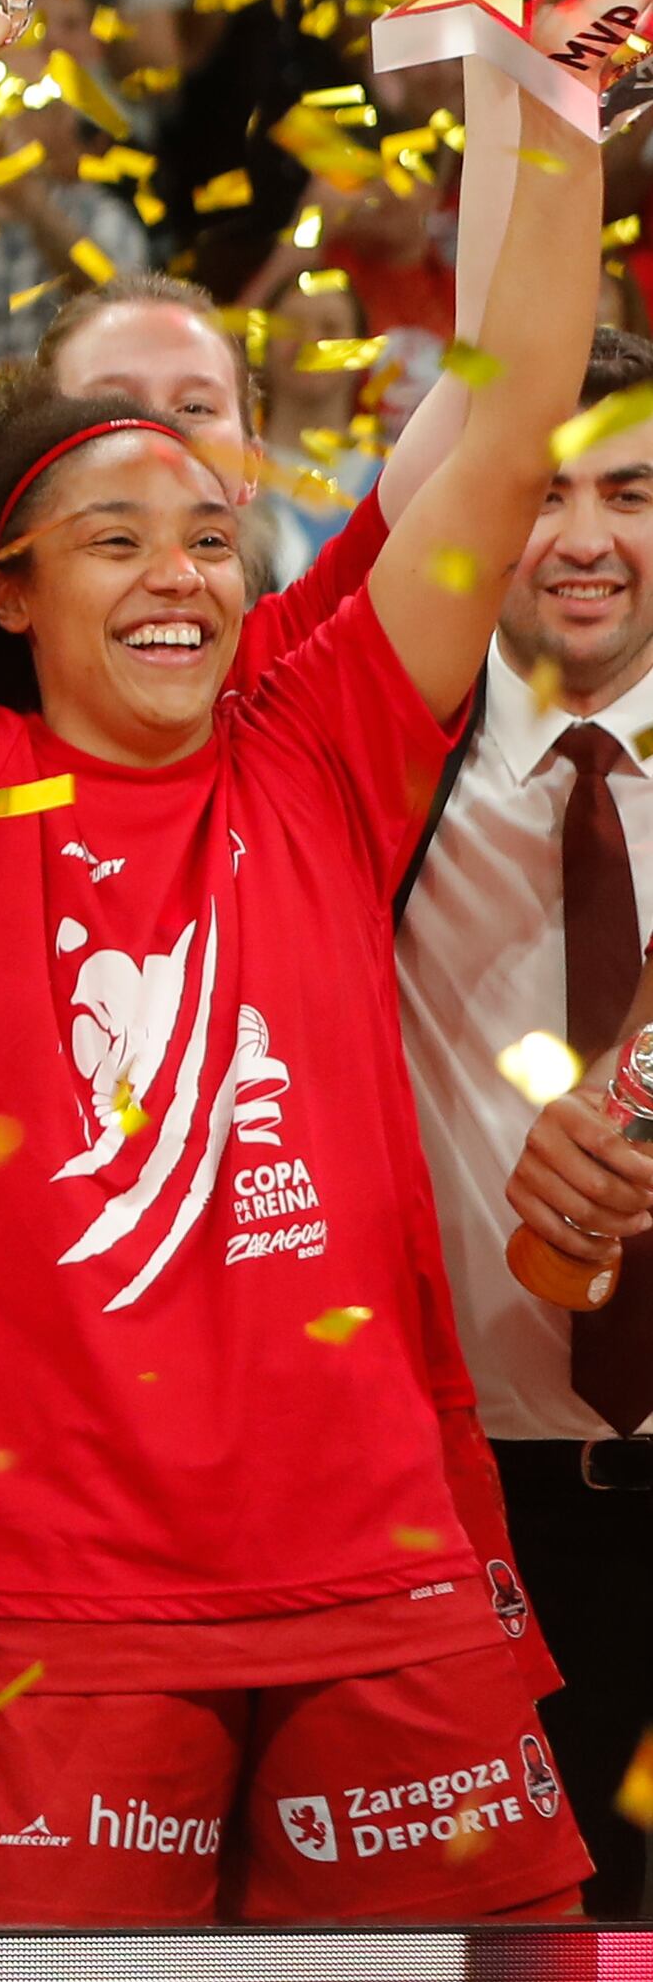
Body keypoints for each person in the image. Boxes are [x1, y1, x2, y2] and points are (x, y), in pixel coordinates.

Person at [0, 0, 610, 1926]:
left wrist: (563, 109)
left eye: (207, 532)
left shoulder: (319, 749)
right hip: (42, 1610)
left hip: (383, 1567)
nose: (178, 570)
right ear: (7, 582)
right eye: (114, 535)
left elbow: (500, 443)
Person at [408, 325, 653, 1914]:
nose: (576, 541)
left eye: (629, 493)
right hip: (457, 1527)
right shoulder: (371, 767)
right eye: (538, 492)